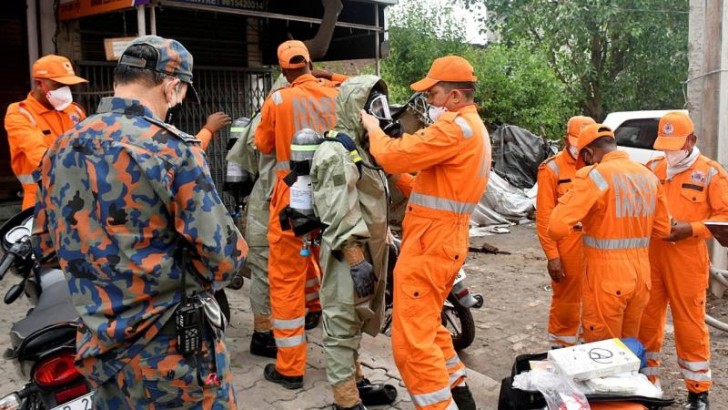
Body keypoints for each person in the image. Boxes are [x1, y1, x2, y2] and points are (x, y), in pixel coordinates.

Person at [31, 35, 247, 408]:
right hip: (170, 353)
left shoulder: (61, 147)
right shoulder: (172, 148)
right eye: (180, 93)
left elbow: (45, 249)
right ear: (171, 86)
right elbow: (225, 258)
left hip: (98, 351)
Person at [361, 55, 490, 410]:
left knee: (411, 344)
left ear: (454, 96)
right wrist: (399, 178)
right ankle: (459, 393)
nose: (428, 101)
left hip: (430, 243)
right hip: (445, 239)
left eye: (433, 93)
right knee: (429, 323)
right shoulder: (472, 128)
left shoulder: (452, 129)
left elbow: (395, 155)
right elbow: (436, 184)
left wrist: (373, 129)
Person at [254, 40, 346, 388]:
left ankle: (290, 369)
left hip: (291, 198)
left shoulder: (278, 99)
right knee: (336, 276)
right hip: (335, 197)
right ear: (310, 63)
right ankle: (349, 367)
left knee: (286, 279)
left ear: (282, 70)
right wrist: (328, 74)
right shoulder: (337, 94)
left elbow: (263, 144)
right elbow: (355, 86)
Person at [311, 75, 398, 410]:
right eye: (372, 108)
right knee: (341, 324)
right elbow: (338, 210)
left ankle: (356, 380)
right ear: (354, 108)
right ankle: (345, 401)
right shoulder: (336, 152)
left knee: (358, 318)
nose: (378, 115)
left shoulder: (361, 149)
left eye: (381, 107)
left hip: (368, 254)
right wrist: (355, 257)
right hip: (348, 256)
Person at [548, 124, 671, 344]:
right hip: (641, 277)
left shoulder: (594, 176)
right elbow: (663, 230)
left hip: (606, 278)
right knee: (627, 347)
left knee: (603, 352)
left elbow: (556, 227)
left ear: (587, 153)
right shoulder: (648, 175)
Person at [638, 112, 728, 410]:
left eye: (676, 144)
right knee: (647, 322)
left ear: (692, 140)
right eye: (665, 145)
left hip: (687, 260)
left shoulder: (711, 173)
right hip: (651, 257)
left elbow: (724, 217)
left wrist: (691, 228)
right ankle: (648, 385)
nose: (670, 151)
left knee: (689, 325)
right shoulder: (652, 168)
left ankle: (698, 392)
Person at [536, 115, 595, 348]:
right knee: (566, 303)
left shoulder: (599, 166)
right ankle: (561, 350)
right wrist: (553, 256)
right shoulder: (552, 169)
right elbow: (544, 217)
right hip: (568, 244)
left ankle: (588, 348)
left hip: (597, 245)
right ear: (566, 139)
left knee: (595, 300)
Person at [4, 54, 87, 209]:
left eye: (67, 86)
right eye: (58, 85)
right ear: (39, 84)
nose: (64, 91)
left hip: (79, 198)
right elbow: (42, 156)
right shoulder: (19, 113)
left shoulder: (74, 111)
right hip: (40, 201)